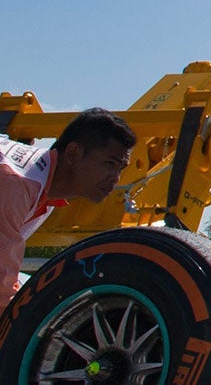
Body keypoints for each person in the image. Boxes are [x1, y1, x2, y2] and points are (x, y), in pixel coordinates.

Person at [2, 108, 137, 305]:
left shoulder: (41, 185)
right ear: (73, 153)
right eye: (109, 163)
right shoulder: (17, 184)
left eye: (120, 169)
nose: (115, 178)